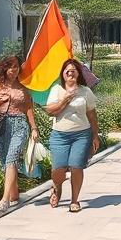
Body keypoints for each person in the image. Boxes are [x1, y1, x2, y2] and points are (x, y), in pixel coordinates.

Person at [44, 58, 100, 213]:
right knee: (58, 170)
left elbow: (92, 114)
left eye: (73, 71)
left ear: (78, 74)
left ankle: (75, 200)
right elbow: (50, 110)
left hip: (81, 135)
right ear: (62, 74)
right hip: (60, 135)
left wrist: (95, 135)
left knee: (76, 166)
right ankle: (57, 186)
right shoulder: (56, 89)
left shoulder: (85, 91)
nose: (70, 73)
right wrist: (65, 100)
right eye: (67, 71)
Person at [0, 55, 38, 211]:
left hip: (20, 125)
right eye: (11, 66)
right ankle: (14, 195)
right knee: (4, 162)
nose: (14, 70)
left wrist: (33, 128)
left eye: (17, 67)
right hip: (2, 126)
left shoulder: (23, 86)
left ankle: (5, 199)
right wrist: (0, 100)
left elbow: (28, 107)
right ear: (4, 68)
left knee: (11, 158)